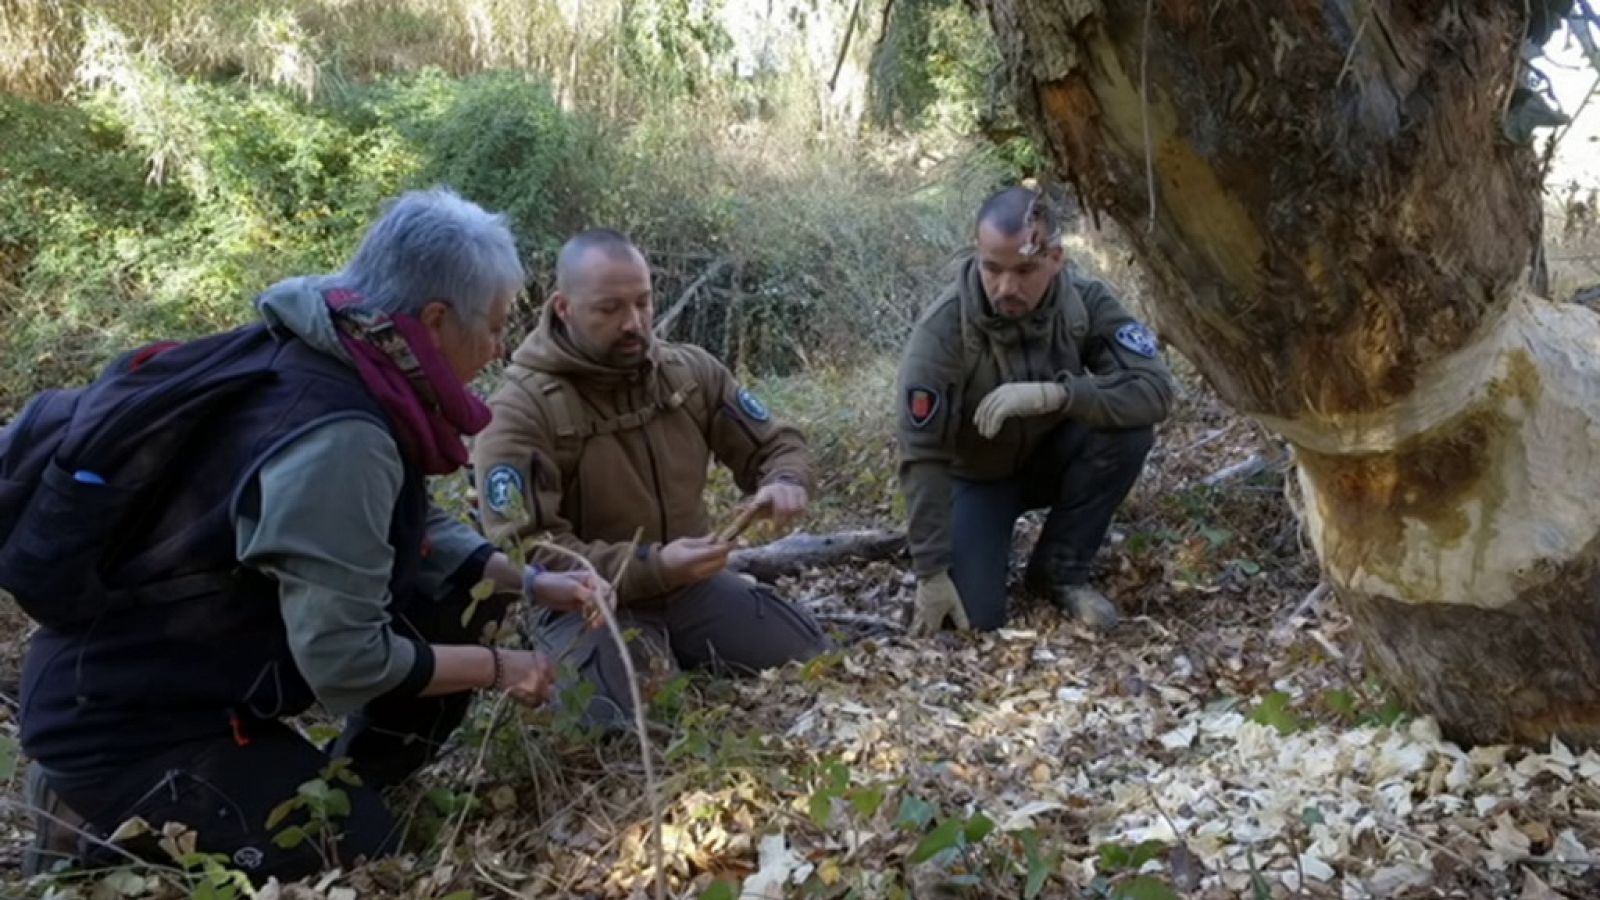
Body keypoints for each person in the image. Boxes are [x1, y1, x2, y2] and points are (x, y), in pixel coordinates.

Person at [17, 188, 606, 882]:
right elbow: (344, 661)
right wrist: (500, 667)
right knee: (355, 852)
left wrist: (530, 581)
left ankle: (341, 782)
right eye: (497, 326)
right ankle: (88, 822)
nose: (499, 347)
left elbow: (405, 523)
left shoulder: (338, 357)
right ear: (436, 320)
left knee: (458, 592)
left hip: (181, 684)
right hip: (126, 723)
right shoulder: (340, 431)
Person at [472, 229, 826, 725]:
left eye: (643, 302)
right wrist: (654, 565)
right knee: (619, 722)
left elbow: (777, 442)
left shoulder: (689, 374)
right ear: (563, 308)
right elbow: (524, 548)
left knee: (812, 658)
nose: (633, 323)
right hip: (588, 604)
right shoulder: (519, 410)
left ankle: (684, 647)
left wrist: (786, 479)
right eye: (609, 308)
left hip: (692, 588)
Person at [897, 187, 1174, 636]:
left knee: (1128, 433)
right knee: (973, 619)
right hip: (978, 480)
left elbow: (1155, 390)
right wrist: (930, 572)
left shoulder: (1085, 303)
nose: (1007, 287)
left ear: (1056, 259)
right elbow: (921, 455)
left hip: (1053, 458)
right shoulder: (942, 332)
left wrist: (1057, 395)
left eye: (1024, 270)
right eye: (992, 268)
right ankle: (980, 551)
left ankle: (1059, 572)